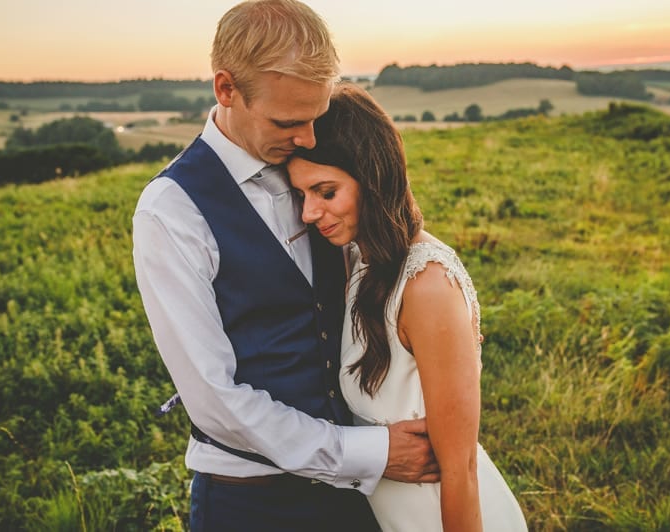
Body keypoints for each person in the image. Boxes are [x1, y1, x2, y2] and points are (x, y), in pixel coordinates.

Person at [132, 2, 437, 531]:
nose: (310, 139)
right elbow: (214, 401)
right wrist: (367, 452)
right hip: (252, 500)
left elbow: (383, 250)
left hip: (366, 495)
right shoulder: (170, 211)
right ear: (226, 89)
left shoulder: (313, 161)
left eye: (316, 117)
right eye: (288, 121)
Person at [287, 83, 529, 531]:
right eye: (301, 195)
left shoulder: (426, 286)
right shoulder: (360, 258)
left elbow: (460, 469)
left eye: (325, 192)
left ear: (373, 178)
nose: (308, 213)